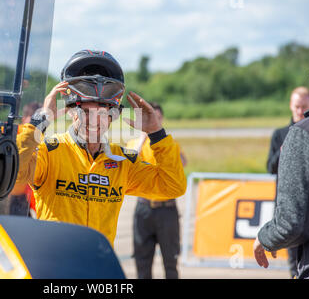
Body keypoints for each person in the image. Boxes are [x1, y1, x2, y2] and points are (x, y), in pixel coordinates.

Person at [14, 49, 187, 246]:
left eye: (102, 113)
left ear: (112, 116)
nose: (94, 121)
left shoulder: (122, 161)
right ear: (71, 112)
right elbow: (15, 176)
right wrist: (40, 121)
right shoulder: (50, 152)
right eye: (86, 111)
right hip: (55, 263)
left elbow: (173, 186)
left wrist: (156, 134)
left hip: (99, 264)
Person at [127, 102, 187, 279]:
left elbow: (182, 163)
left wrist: (160, 139)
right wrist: (142, 138)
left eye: (158, 118)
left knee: (170, 260)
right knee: (142, 260)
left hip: (166, 209)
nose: (155, 121)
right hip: (144, 208)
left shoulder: (168, 143)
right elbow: (129, 164)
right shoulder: (134, 143)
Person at [254, 107, 309, 279]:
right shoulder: (285, 133)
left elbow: (291, 223)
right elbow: (270, 166)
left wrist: (264, 238)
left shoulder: (305, 131)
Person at [0, 101, 42, 216]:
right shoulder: (5, 132)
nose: (39, 124)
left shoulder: (39, 138)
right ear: (24, 118)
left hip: (21, 198)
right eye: (35, 120)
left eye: (42, 120)